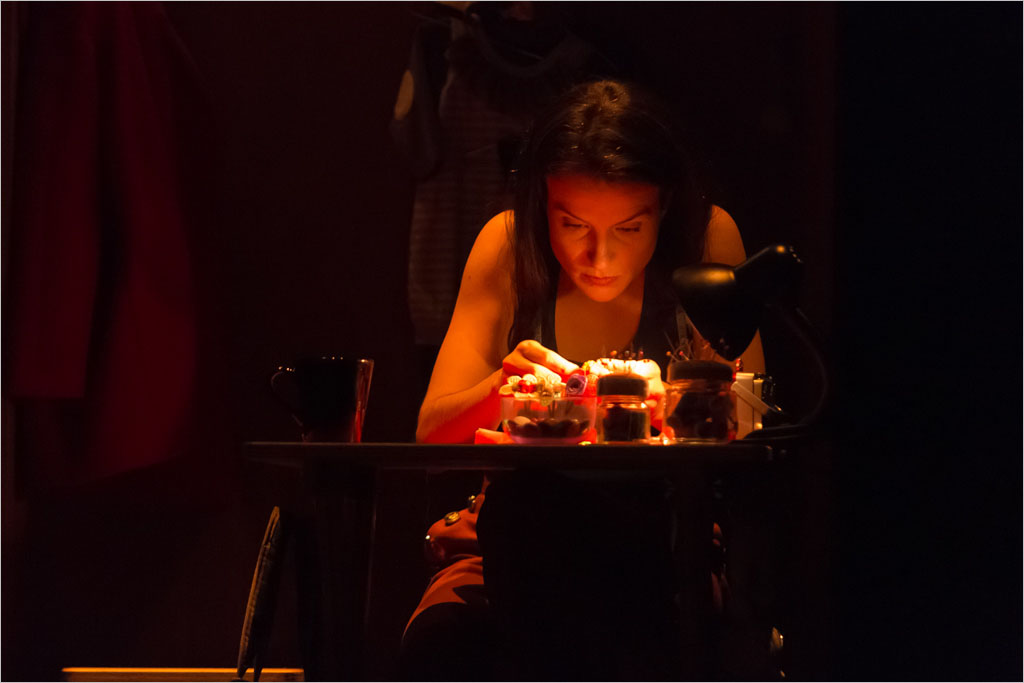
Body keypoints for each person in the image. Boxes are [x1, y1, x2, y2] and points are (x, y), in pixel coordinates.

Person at [401, 79, 765, 680]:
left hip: (666, 538)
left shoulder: (706, 238)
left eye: (629, 229)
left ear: (664, 206)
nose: (599, 258)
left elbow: (753, 421)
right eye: (573, 225)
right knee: (450, 637)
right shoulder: (508, 246)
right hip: (514, 540)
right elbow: (430, 436)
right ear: (542, 203)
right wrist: (502, 389)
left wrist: (674, 406)